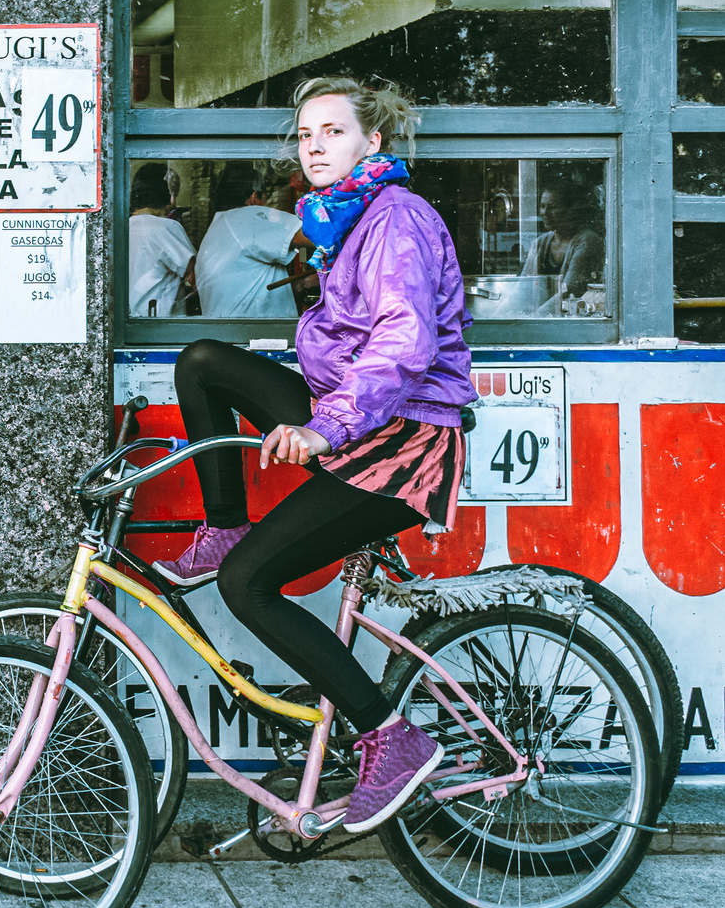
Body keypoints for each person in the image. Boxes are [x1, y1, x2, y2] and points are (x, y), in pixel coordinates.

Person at [151, 76, 477, 834]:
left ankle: (387, 737)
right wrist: (328, 414)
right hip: (356, 422)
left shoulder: (396, 218)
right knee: (203, 361)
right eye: (305, 135)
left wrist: (326, 428)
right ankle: (225, 521)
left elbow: (404, 342)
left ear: (374, 142)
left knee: (247, 584)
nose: (315, 146)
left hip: (401, 444)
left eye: (332, 131)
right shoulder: (345, 223)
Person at [194, 180, 312, 318]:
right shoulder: (249, 215)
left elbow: (251, 287)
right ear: (255, 197)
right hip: (249, 331)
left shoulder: (220, 225)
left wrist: (304, 284)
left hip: (230, 327)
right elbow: (314, 235)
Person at [127, 163, 196, 317]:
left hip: (130, 322)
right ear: (169, 196)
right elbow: (195, 277)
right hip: (160, 325)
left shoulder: (123, 228)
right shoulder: (165, 227)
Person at [521, 180, 605, 301]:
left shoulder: (586, 241)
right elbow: (523, 287)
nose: (545, 213)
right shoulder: (540, 243)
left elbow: (568, 289)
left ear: (570, 209)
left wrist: (537, 317)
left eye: (552, 207)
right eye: (542, 206)